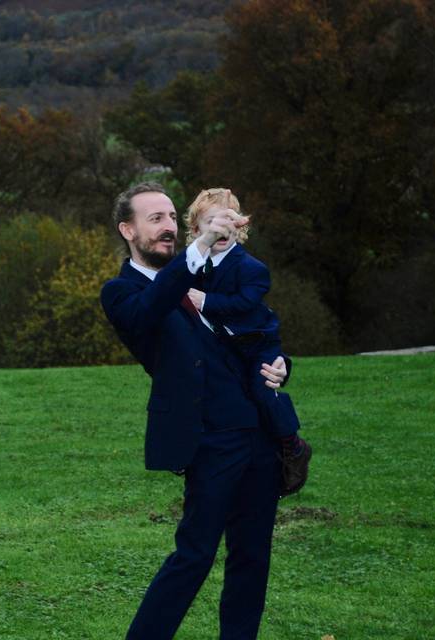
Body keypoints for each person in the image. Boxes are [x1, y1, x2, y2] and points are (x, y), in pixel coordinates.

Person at [99, 182, 300, 639]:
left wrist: (280, 364)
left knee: (252, 558)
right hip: (210, 439)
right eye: (156, 219)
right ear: (127, 230)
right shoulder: (122, 292)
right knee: (193, 556)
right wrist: (200, 246)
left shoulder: (209, 273)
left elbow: (256, 325)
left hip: (258, 432)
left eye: (172, 217)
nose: (169, 227)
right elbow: (152, 310)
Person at [184, 187, 311, 496]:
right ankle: (190, 452)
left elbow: (244, 303)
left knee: (262, 390)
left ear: (240, 227)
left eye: (229, 221)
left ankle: (292, 445)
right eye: (212, 222)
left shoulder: (253, 269)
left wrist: (206, 300)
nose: (221, 228)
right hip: (222, 348)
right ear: (196, 230)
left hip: (257, 344)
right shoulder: (195, 264)